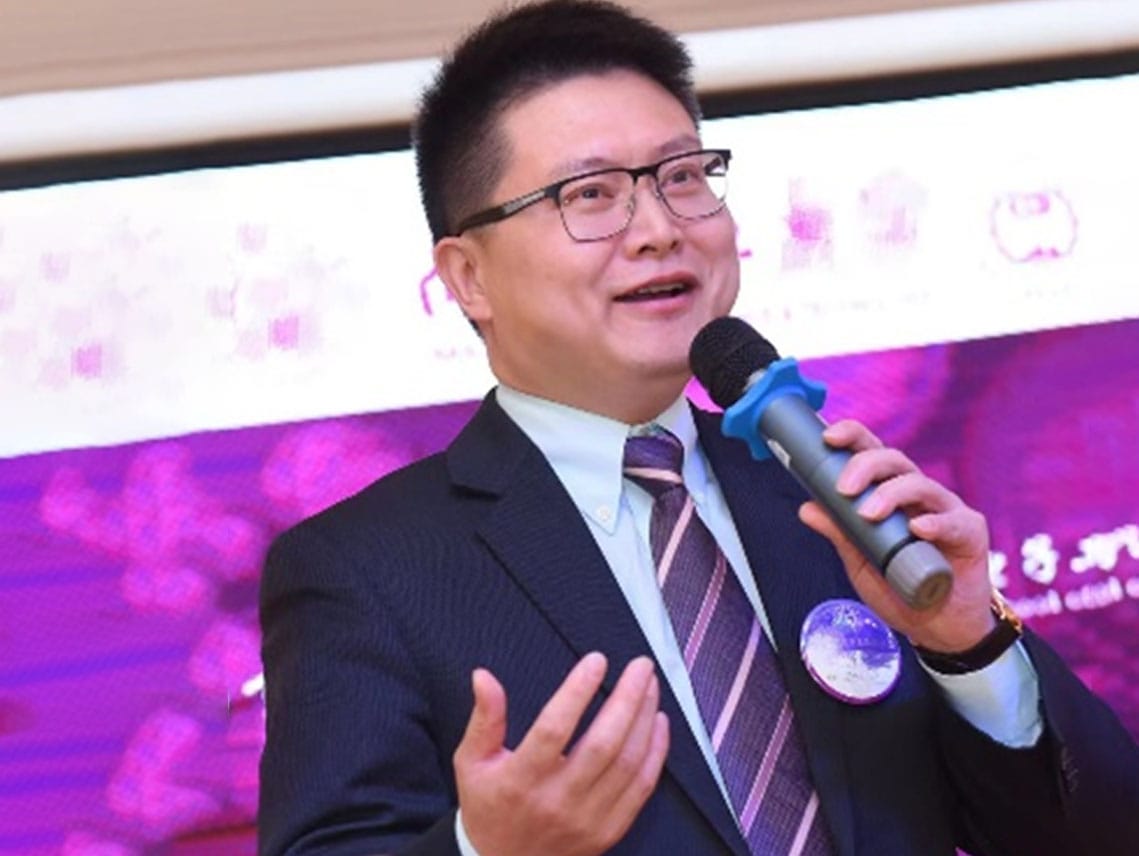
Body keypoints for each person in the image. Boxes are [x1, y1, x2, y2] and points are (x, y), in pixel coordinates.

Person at [257, 2, 1139, 854]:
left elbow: (1100, 836)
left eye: (682, 177)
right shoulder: (364, 572)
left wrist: (968, 646)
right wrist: (485, 850)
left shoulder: (828, 501)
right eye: (589, 194)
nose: (657, 229)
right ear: (467, 277)